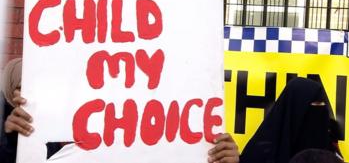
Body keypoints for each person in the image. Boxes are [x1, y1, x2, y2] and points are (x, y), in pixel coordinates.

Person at [0, 58, 239, 163]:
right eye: (20, 88)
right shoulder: (21, 133)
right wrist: (12, 141)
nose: (26, 97)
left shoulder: (106, 127)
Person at [239, 77, 341, 163]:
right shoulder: (259, 155)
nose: (319, 113)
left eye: (322, 105)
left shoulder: (329, 150)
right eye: (314, 105)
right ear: (294, 109)